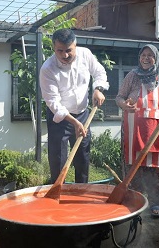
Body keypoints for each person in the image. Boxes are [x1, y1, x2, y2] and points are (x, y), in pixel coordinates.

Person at [39, 28, 109, 184]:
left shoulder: (85, 55)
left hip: (83, 114)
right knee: (58, 159)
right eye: (60, 51)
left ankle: (80, 194)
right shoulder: (47, 69)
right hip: (60, 118)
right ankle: (57, 194)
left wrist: (98, 89)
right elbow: (54, 103)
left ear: (75, 45)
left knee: (83, 157)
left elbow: (99, 72)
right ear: (53, 48)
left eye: (69, 50)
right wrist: (74, 122)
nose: (65, 55)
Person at [115, 44, 159, 218]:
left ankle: (156, 202)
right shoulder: (132, 76)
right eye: (143, 55)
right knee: (134, 166)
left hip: (158, 129)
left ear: (156, 58)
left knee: (157, 168)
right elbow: (119, 97)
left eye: (150, 55)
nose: (146, 58)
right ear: (139, 58)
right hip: (133, 129)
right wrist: (124, 104)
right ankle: (134, 201)